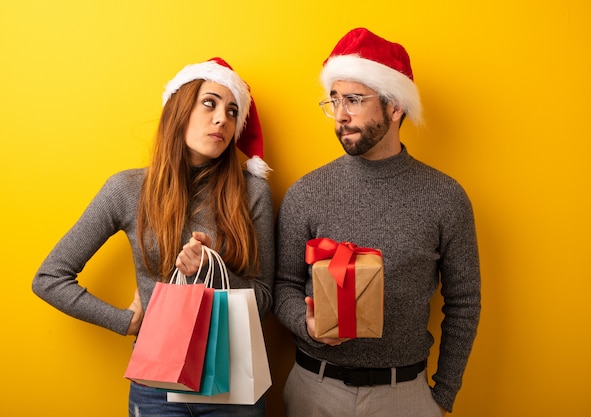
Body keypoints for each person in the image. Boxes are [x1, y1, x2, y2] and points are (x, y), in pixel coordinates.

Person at [32, 57, 275, 417]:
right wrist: (126, 321)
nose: (222, 118)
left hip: (234, 380)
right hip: (156, 387)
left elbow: (266, 300)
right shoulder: (127, 189)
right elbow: (48, 278)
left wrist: (210, 268)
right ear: (179, 108)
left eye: (233, 111)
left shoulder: (252, 192)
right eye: (209, 103)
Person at [272, 28, 481, 417]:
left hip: (404, 395)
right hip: (314, 389)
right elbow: (282, 285)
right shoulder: (307, 192)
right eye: (333, 100)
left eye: (354, 99)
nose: (340, 115)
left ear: (395, 105)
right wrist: (308, 324)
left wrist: (442, 396)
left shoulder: (445, 197)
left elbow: (464, 302)